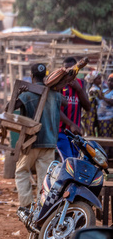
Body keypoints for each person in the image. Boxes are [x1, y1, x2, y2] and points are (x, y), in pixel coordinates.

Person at [12, 64, 70, 210]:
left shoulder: (27, 94)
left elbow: (9, 108)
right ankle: (41, 207)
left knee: (22, 171)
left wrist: (18, 93)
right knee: (45, 178)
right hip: (49, 143)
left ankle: (26, 204)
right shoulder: (54, 93)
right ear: (45, 76)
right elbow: (65, 102)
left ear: (31, 76)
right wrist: (54, 89)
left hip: (30, 142)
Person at [57, 57, 91, 160]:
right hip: (61, 131)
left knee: (75, 161)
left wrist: (79, 90)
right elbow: (55, 108)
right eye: (66, 69)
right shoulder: (58, 84)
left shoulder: (81, 84)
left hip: (75, 133)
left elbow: (88, 107)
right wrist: (71, 124)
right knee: (69, 161)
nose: (69, 72)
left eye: (71, 69)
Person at [83, 71, 102, 136]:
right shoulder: (94, 90)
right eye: (98, 79)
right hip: (91, 113)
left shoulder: (97, 88)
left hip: (95, 112)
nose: (100, 80)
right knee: (90, 128)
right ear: (93, 80)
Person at [97, 73, 113, 140]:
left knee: (107, 139)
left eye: (112, 81)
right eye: (109, 80)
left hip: (109, 119)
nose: (110, 82)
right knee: (101, 138)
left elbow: (112, 102)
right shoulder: (104, 91)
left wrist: (102, 98)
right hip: (100, 119)